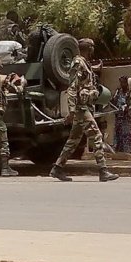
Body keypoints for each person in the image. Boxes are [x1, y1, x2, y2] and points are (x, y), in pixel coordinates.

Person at [49, 38, 119, 182]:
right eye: (92, 47)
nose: (94, 50)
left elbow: (85, 75)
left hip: (86, 107)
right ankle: (103, 170)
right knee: (97, 136)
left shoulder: (84, 63)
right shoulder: (78, 63)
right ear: (88, 48)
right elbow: (72, 87)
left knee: (73, 140)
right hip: (81, 108)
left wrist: (95, 69)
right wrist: (72, 110)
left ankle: (57, 168)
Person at [112, 76, 131, 154]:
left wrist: (127, 107)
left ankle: (128, 153)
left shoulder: (130, 92)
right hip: (118, 117)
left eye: (123, 82)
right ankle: (119, 153)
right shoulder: (118, 91)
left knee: (127, 136)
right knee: (118, 136)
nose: (122, 84)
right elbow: (113, 101)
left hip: (127, 118)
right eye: (121, 82)